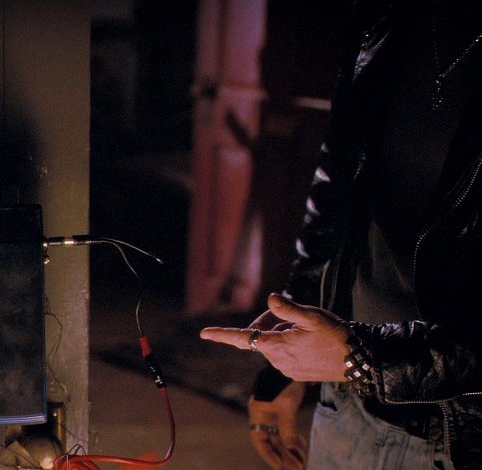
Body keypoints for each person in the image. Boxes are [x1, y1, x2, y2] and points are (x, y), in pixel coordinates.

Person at [199, 0, 482, 469]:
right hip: (347, 408)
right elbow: (333, 199)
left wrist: (364, 358)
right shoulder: (385, 21)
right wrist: (289, 353)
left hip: (461, 433)